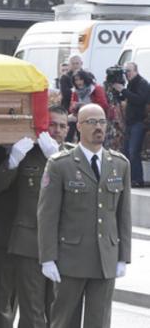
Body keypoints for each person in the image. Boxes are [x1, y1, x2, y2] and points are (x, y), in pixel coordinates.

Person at [38, 103, 132, 328]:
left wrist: (123, 256)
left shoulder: (119, 164)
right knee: (64, 319)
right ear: (79, 126)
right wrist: (47, 257)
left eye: (101, 122)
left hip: (105, 259)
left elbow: (123, 214)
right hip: (71, 259)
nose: (98, 127)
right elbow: (47, 215)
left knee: (98, 321)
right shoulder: (61, 164)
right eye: (91, 122)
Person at [0, 106, 74, 327]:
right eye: (52, 124)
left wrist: (55, 158)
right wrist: (13, 159)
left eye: (62, 126)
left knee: (57, 310)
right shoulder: (28, 152)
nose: (57, 130)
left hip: (65, 244)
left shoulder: (74, 157)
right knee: (32, 311)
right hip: (29, 243)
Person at [112, 62, 150, 187]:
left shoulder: (142, 83)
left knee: (134, 151)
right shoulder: (130, 84)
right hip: (130, 123)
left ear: (136, 71)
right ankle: (129, 179)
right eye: (125, 71)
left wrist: (123, 90)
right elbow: (124, 100)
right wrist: (118, 91)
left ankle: (138, 180)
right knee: (126, 152)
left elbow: (140, 99)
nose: (127, 74)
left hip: (139, 122)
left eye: (129, 71)